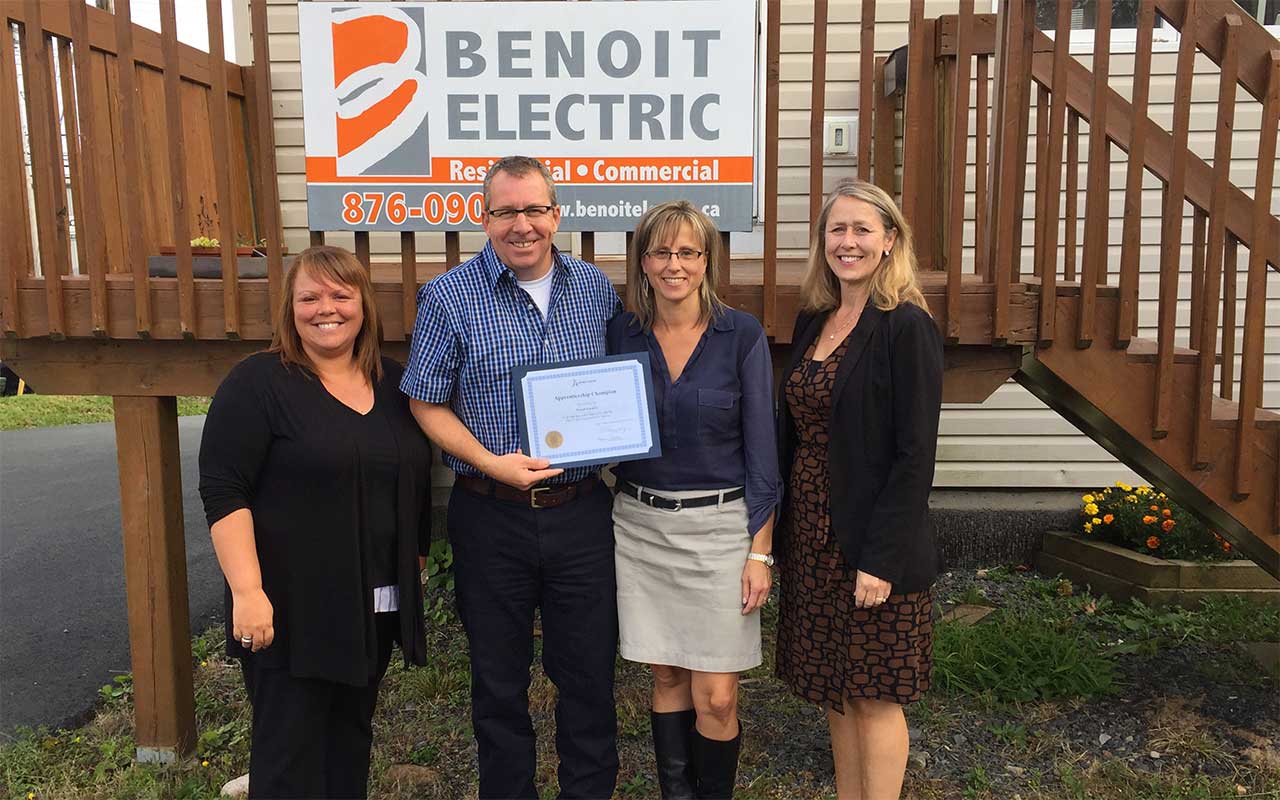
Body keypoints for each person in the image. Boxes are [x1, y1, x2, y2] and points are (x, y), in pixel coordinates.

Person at [400, 155, 622, 799]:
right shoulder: (448, 296)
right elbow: (425, 400)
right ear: (484, 216)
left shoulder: (594, 290)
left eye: (533, 210)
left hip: (580, 512)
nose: (520, 225)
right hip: (489, 511)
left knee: (586, 674)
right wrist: (494, 462)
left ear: (556, 215)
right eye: (505, 211)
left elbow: (613, 390)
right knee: (497, 680)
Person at [198, 246, 432, 799]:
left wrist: (414, 564)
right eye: (310, 297)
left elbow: (413, 481)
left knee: (348, 743)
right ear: (291, 308)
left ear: (363, 306)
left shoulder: (393, 383)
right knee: (289, 755)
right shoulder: (257, 383)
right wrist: (247, 592)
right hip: (289, 609)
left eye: (340, 295)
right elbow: (223, 491)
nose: (325, 308)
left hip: (370, 606)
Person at [775, 179, 943, 800]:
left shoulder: (907, 327)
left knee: (874, 693)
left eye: (862, 230)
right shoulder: (815, 319)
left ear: (889, 241)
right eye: (836, 230)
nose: (848, 242)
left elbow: (914, 456)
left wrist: (881, 559)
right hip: (813, 539)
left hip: (873, 546)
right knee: (835, 693)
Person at [606, 201, 778, 799]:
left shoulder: (741, 335)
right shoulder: (621, 333)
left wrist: (761, 552)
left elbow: (763, 453)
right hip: (640, 526)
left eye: (687, 252)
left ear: (707, 261)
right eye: (660, 252)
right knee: (668, 673)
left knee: (719, 696)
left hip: (720, 532)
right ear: (643, 262)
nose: (673, 265)